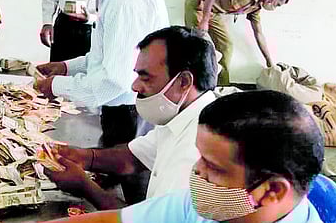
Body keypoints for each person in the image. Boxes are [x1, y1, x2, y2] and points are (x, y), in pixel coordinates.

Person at [0, 90, 336, 223]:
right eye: (199, 158)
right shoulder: (204, 212)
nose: (196, 172)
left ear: (272, 191)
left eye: (213, 168)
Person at [44, 26, 217, 208]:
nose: (135, 86)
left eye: (146, 78)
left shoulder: (198, 151)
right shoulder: (181, 117)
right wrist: (84, 157)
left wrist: (85, 186)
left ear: (184, 82)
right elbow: (132, 157)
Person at [35, 0, 168, 148]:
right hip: (120, 106)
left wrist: (56, 86)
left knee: (123, 165)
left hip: (130, 110)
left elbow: (115, 80)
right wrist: (66, 67)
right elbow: (106, 56)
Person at [184, 0, 290, 85]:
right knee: (199, 45)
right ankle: (192, 84)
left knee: (226, 46)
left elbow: (258, 33)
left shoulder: (256, 7)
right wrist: (205, 20)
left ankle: (222, 85)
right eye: (277, 4)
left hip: (213, 12)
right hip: (199, 4)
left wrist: (269, 62)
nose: (275, 8)